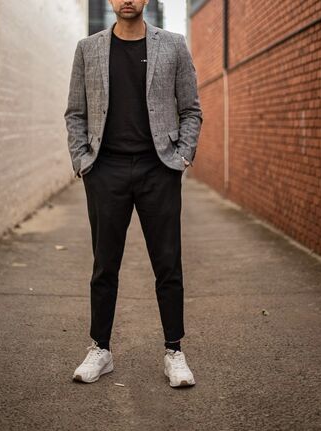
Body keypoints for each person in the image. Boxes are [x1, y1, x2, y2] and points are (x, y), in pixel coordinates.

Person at [64, 0, 203, 388]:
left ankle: (174, 352)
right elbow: (75, 112)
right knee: (104, 265)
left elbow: (191, 109)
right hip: (105, 170)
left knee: (168, 264)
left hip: (159, 168)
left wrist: (182, 156)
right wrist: (82, 161)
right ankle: (100, 349)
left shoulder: (172, 45)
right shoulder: (88, 48)